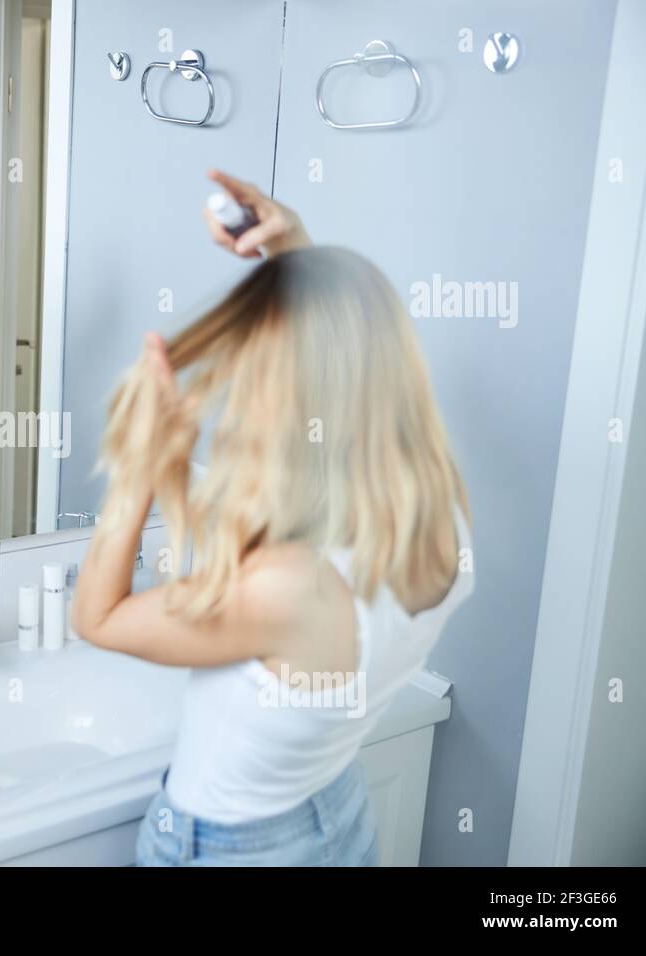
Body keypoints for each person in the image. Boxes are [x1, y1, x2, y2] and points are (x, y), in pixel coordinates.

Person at [71, 170, 474, 866]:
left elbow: (97, 618)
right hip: (332, 812)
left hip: (232, 847)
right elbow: (346, 347)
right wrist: (292, 246)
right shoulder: (439, 513)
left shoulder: (286, 590)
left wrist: (138, 469)